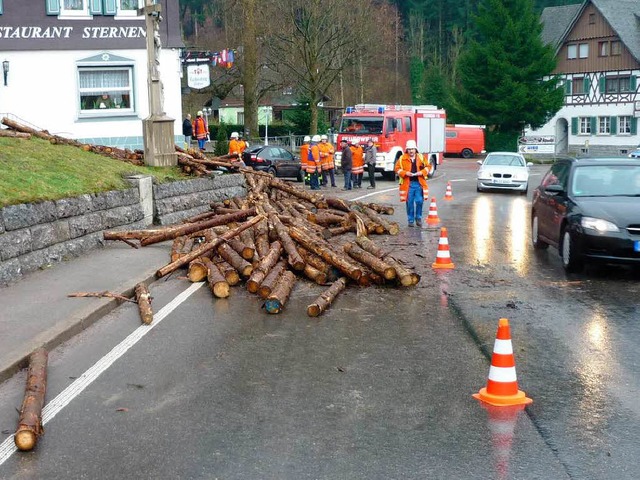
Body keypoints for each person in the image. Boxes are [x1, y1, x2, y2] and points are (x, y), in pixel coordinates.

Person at [394, 139, 429, 227]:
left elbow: (428, 166)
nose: (411, 151)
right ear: (407, 150)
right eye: (409, 149)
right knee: (409, 203)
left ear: (415, 149)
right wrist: (405, 173)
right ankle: (410, 220)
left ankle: (418, 218)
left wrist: (422, 172)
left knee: (419, 201)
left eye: (412, 149)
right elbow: (397, 169)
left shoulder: (421, 157)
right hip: (408, 184)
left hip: (419, 183)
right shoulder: (402, 158)